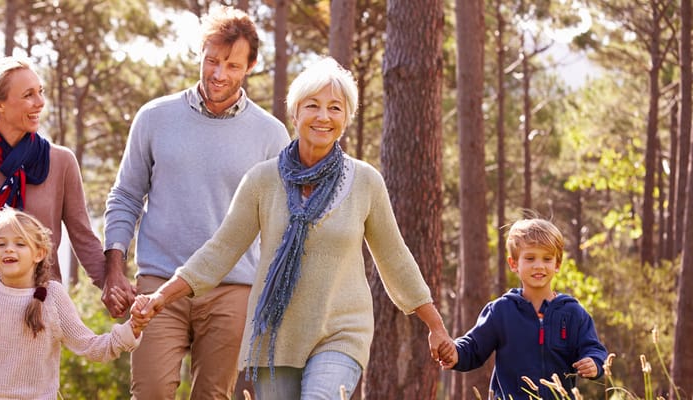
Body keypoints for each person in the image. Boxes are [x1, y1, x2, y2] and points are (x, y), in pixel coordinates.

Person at [132, 57, 455, 399]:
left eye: (335, 108)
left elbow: (394, 257)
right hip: (276, 337)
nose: (323, 116)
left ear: (346, 118)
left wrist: (435, 326)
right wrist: (161, 296)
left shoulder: (365, 182)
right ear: (295, 113)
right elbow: (220, 251)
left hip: (341, 333)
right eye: (312, 105)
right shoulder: (262, 180)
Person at [103, 4, 290, 399]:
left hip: (232, 288)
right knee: (150, 391)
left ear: (251, 66)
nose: (219, 74)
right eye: (212, 61)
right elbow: (126, 195)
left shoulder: (271, 135)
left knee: (213, 395)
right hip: (158, 282)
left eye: (232, 65)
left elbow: (280, 223)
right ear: (201, 54)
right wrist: (114, 268)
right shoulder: (155, 117)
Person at [0, 56, 133, 399]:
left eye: (40, 92)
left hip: (38, 311)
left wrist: (111, 286)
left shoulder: (61, 161)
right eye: (28, 95)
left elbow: (83, 236)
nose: (40, 102)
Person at [0, 207, 144, 399]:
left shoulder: (52, 297)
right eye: (1, 244)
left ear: (39, 253)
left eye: (20, 244)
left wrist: (130, 330)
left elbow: (91, 346)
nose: (9, 249)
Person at [446, 218, 608, 399]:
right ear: (514, 263)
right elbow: (473, 347)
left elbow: (593, 348)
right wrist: (454, 353)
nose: (539, 265)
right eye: (530, 258)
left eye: (547, 259)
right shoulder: (501, 311)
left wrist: (594, 363)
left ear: (557, 264)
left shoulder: (573, 313)